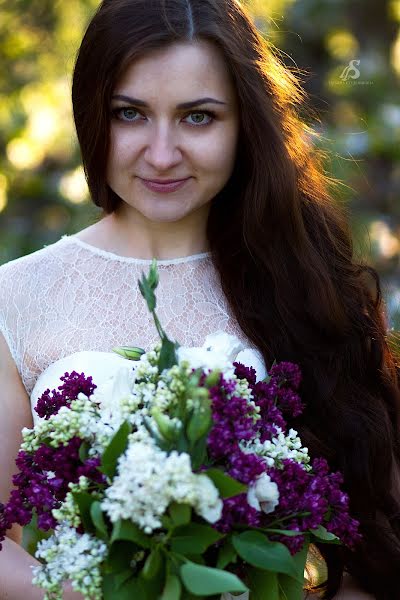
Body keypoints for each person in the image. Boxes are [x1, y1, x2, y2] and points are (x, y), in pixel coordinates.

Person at [0, 0, 399, 598]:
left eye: (197, 118)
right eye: (130, 113)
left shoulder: (309, 283)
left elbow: (376, 527)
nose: (161, 154)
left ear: (245, 125)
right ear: (92, 116)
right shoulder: (16, 295)